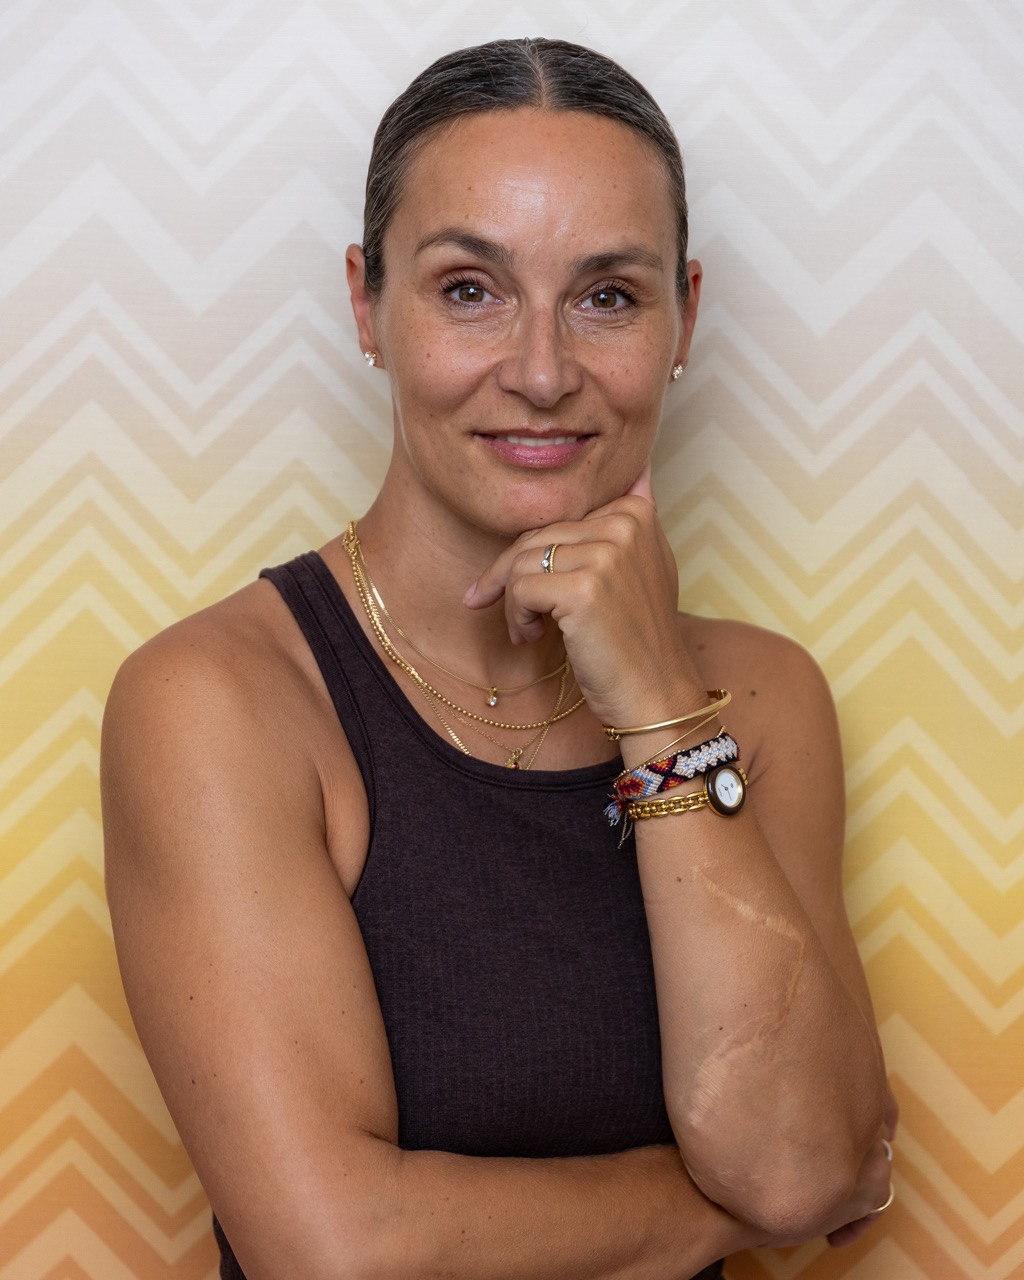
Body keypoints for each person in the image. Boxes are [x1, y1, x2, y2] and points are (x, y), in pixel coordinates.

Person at [102, 37, 897, 1280]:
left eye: (608, 295)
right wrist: (719, 1210)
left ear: (685, 313)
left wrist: (651, 703)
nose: (539, 371)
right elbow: (336, 1249)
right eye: (470, 288)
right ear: (367, 302)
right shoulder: (221, 703)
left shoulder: (759, 698)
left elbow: (796, 1159)